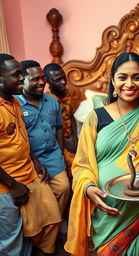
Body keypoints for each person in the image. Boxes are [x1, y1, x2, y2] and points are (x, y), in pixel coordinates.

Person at [65, 52, 139, 256]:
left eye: (136, 77)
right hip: (109, 208)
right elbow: (82, 164)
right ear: (113, 81)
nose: (130, 83)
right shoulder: (96, 117)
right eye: (122, 77)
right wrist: (89, 188)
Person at [0, 53, 61, 256]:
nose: (21, 78)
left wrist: (36, 162)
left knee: (52, 216)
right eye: (16, 74)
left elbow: (22, 137)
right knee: (12, 241)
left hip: (29, 174)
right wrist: (12, 184)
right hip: (6, 185)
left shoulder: (14, 102)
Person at [16, 60, 70, 218]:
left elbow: (59, 127)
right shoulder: (16, 105)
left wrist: (60, 152)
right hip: (30, 160)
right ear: (22, 80)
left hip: (53, 155)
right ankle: (50, 232)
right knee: (41, 199)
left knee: (64, 187)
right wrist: (34, 162)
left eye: (43, 78)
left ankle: (55, 225)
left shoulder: (52, 100)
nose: (42, 82)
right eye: (35, 79)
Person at [44, 63, 78, 179]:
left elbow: (72, 116)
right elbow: (52, 130)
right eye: (58, 80)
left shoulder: (66, 92)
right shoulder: (47, 100)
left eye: (64, 78)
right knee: (75, 165)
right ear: (48, 81)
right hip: (59, 142)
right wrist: (68, 146)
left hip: (71, 138)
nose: (63, 82)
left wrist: (75, 136)